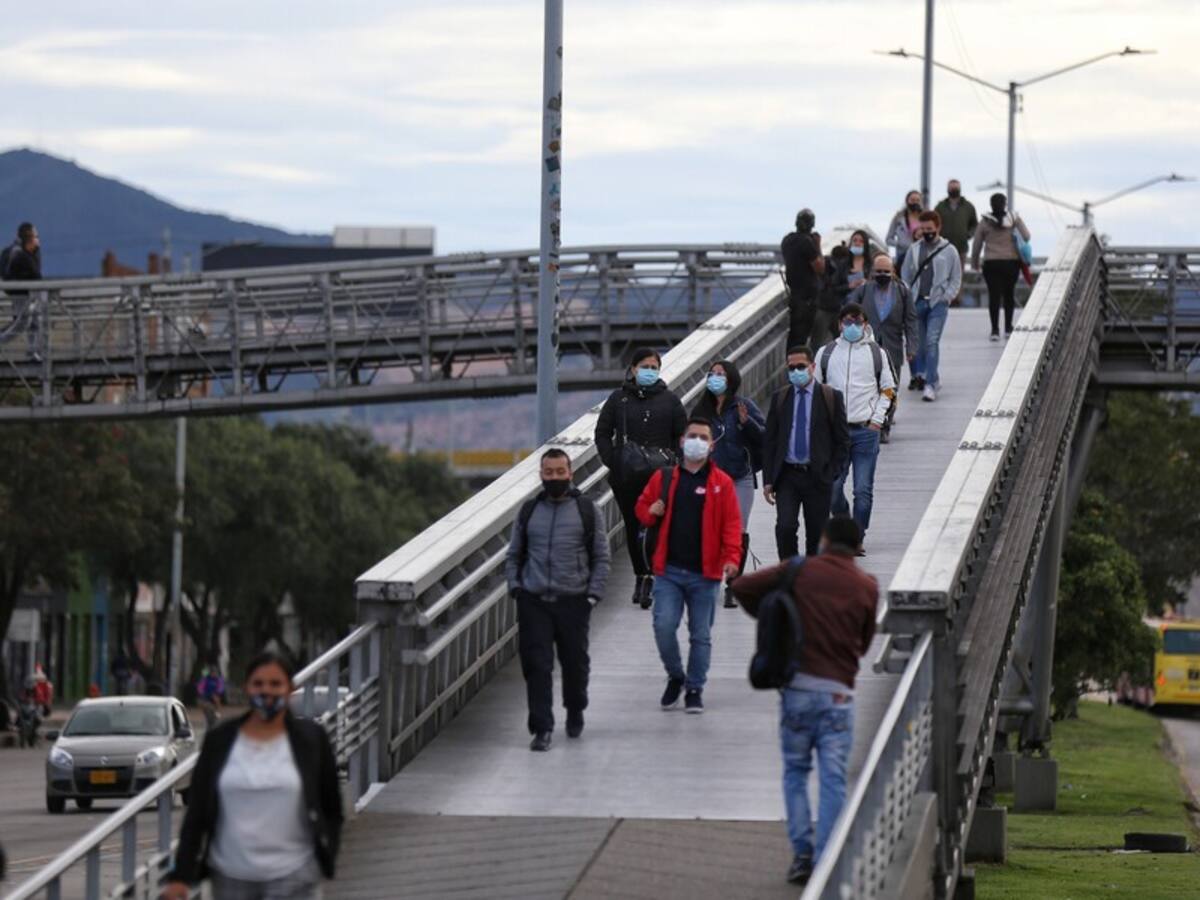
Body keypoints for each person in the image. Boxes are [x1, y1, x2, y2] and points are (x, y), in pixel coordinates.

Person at [729, 516, 878, 886]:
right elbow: (864, 641)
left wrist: (773, 615)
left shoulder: (800, 570)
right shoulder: (866, 585)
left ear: (824, 540)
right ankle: (829, 858)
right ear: (857, 547)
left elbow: (744, 586)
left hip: (797, 690)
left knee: (796, 772)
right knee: (833, 779)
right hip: (838, 694)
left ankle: (802, 855)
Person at [162, 651, 343, 900]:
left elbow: (331, 806)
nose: (266, 691)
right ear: (247, 688)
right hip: (230, 877)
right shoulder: (220, 741)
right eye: (258, 684)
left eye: (275, 684)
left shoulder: (311, 740)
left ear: (290, 689)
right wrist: (180, 877)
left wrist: (327, 854)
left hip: (296, 876)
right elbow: (197, 813)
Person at [505, 449, 610, 752]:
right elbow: (513, 554)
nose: (554, 478)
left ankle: (575, 708)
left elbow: (601, 557)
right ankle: (542, 728)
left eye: (559, 472)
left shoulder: (586, 511)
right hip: (534, 599)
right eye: (548, 472)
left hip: (574, 599)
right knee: (537, 665)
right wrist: (516, 588)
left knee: (575, 664)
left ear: (570, 473)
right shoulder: (528, 512)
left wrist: (592, 594)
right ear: (541, 475)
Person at [635, 418, 742, 714]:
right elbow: (641, 509)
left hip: (705, 574)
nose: (697, 441)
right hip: (668, 570)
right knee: (663, 625)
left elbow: (732, 525)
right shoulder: (665, 478)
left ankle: (695, 687)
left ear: (711, 444)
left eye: (703, 437)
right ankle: (675, 675)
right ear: (682, 441)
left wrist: (732, 558)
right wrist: (650, 511)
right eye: (692, 436)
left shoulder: (722, 484)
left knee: (700, 634)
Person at [595, 347, 687, 606]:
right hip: (627, 476)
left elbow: (683, 435)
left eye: (654, 367)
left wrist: (677, 463)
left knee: (660, 525)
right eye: (644, 366)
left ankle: (659, 575)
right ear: (633, 369)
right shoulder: (618, 400)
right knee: (634, 525)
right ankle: (642, 575)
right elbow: (602, 433)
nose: (649, 371)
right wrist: (612, 460)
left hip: (662, 477)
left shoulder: (670, 400)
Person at [815, 304, 895, 551]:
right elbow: (817, 390)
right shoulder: (825, 353)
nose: (852, 326)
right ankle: (845, 522)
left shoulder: (876, 353)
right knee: (833, 489)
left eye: (857, 322)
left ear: (865, 324)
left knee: (863, 489)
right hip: (835, 432)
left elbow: (889, 389)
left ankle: (856, 538)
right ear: (840, 324)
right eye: (847, 322)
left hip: (865, 430)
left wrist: (876, 420)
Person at [762, 346, 849, 560]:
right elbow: (770, 441)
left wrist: (833, 472)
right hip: (788, 475)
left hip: (818, 476)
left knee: (816, 533)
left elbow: (842, 439)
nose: (796, 371)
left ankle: (811, 577)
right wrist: (768, 480)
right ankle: (788, 570)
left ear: (812, 367)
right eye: (791, 368)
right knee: (785, 526)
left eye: (801, 366)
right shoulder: (780, 398)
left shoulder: (831, 397)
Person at [691, 359, 765, 607]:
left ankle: (733, 583)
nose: (714, 377)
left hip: (739, 476)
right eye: (711, 373)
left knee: (738, 530)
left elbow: (765, 436)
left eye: (720, 374)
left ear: (731, 379)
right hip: (709, 478)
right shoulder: (701, 410)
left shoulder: (744, 406)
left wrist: (747, 423)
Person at [849, 254, 916, 442]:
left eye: (886, 272)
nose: (882, 275)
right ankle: (870, 421)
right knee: (868, 388)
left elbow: (910, 321)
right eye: (878, 271)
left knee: (889, 389)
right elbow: (848, 312)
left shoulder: (903, 292)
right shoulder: (863, 291)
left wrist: (911, 347)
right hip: (866, 349)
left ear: (893, 272)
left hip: (892, 348)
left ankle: (885, 425)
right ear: (872, 273)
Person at [901, 211, 962, 402]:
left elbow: (956, 276)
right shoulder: (914, 249)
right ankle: (927, 376)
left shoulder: (949, 250)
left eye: (930, 229)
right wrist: (908, 295)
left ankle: (930, 384)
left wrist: (947, 296)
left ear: (938, 227)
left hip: (938, 303)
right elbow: (906, 275)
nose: (926, 232)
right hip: (917, 301)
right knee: (919, 344)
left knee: (932, 341)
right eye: (923, 228)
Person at [971, 193, 1031, 341]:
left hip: (991, 263)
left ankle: (995, 331)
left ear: (991, 205)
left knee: (994, 296)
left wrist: (975, 263)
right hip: (1011, 262)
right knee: (1009, 295)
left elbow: (977, 244)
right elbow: (1027, 236)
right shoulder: (1014, 218)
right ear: (1005, 204)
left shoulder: (984, 222)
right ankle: (1009, 328)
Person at [781, 208, 826, 348]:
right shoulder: (807, 242)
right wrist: (818, 246)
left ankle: (791, 365)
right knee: (801, 338)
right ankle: (800, 364)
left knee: (794, 336)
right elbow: (820, 268)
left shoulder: (787, 240)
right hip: (807, 299)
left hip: (794, 295)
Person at [1, 222, 43, 361]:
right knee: (21, 324)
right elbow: (33, 274)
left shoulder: (31, 252)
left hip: (29, 293)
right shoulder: (18, 254)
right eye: (36, 236)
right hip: (20, 295)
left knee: (33, 320)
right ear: (28, 238)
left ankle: (33, 351)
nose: (38, 239)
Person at [934, 179, 978, 279]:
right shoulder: (940, 207)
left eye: (956, 188)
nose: (953, 189)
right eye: (951, 187)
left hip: (961, 247)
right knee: (942, 276)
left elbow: (974, 224)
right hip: (942, 247)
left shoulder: (968, 206)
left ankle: (958, 295)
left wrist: (968, 235)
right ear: (947, 189)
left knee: (958, 277)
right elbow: (933, 223)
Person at [813, 244, 851, 347]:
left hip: (826, 307)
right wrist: (849, 286)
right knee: (841, 341)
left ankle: (814, 361)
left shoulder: (824, 265)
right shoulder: (837, 268)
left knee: (818, 341)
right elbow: (833, 287)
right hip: (831, 308)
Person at [885, 190, 924, 269]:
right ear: (907, 201)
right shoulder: (898, 218)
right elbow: (888, 239)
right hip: (903, 256)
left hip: (921, 255)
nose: (915, 203)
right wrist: (900, 244)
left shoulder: (925, 218)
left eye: (917, 200)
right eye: (912, 200)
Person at [197, 665, 225, 730]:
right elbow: (200, 687)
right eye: (212, 673)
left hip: (214, 696)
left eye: (215, 673)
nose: (213, 674)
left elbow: (221, 687)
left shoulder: (218, 679)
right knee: (207, 709)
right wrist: (202, 693)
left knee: (216, 700)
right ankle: (210, 720)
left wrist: (217, 692)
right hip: (206, 697)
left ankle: (217, 712)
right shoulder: (206, 679)